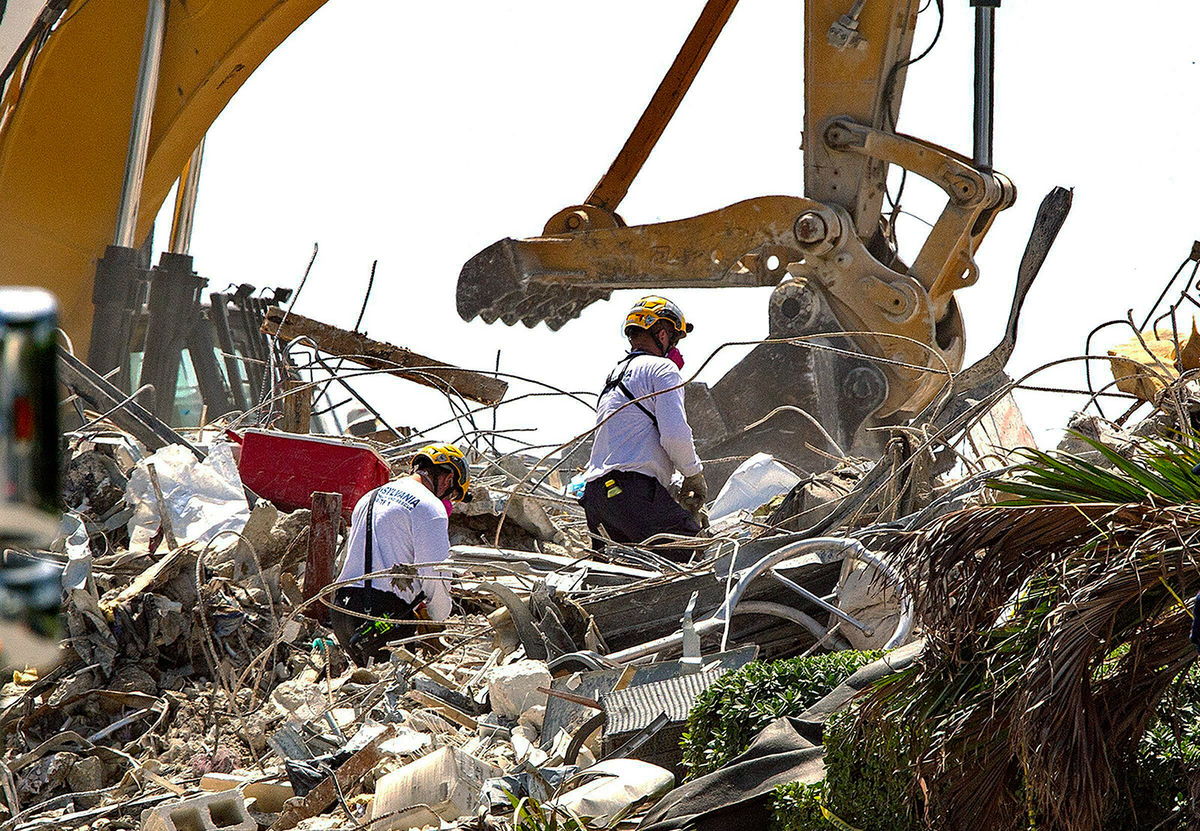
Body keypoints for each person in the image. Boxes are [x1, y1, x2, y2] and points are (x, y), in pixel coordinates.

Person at [580, 295, 707, 559]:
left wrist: (670, 489)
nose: (675, 349)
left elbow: (632, 446)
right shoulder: (663, 369)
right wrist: (693, 475)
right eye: (675, 340)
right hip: (630, 491)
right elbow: (674, 435)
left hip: (596, 498)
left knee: (629, 579)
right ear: (662, 334)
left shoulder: (616, 376)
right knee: (694, 556)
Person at [330, 443, 470, 665]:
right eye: (452, 495)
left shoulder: (370, 496)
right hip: (383, 617)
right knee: (392, 695)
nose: (448, 502)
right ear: (449, 478)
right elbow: (436, 575)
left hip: (342, 609)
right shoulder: (430, 508)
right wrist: (439, 616)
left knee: (364, 690)